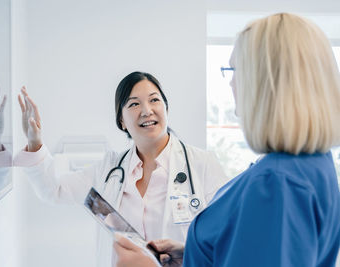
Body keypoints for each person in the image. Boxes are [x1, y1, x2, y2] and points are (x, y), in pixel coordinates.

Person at [114, 13, 340, 267]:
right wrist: (197, 253)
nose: (231, 82)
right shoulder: (312, 164)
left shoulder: (277, 184)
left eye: (234, 69)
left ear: (265, 81)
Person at [13, 71, 228, 267]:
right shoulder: (108, 171)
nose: (147, 110)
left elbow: (228, 238)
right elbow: (54, 189)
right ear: (122, 121)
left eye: (155, 100)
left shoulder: (202, 165)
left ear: (166, 108)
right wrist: (35, 141)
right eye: (134, 104)